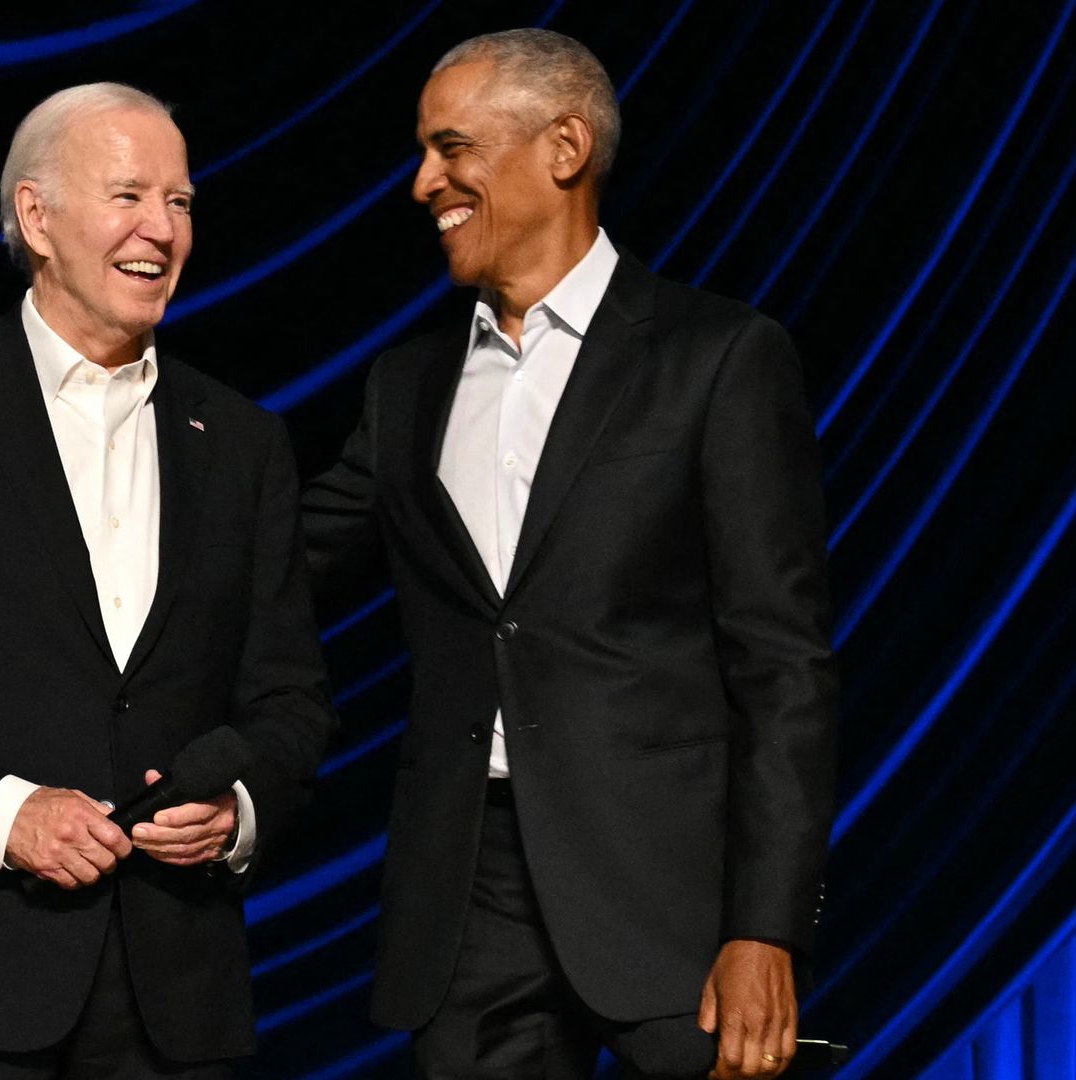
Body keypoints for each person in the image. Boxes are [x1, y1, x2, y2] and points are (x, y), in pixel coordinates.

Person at [301, 30, 839, 1080]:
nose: (423, 185)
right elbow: (278, 567)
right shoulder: (406, 388)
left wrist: (766, 927)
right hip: (469, 898)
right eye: (421, 153)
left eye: (451, 148)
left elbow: (784, 667)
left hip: (672, 897)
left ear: (563, 146)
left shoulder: (716, 357)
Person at [0, 82, 335, 1079]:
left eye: (182, 202)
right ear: (37, 217)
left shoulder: (245, 442)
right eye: (129, 195)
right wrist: (5, 814)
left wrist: (239, 809)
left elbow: (291, 698)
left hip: (179, 999)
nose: (161, 230)